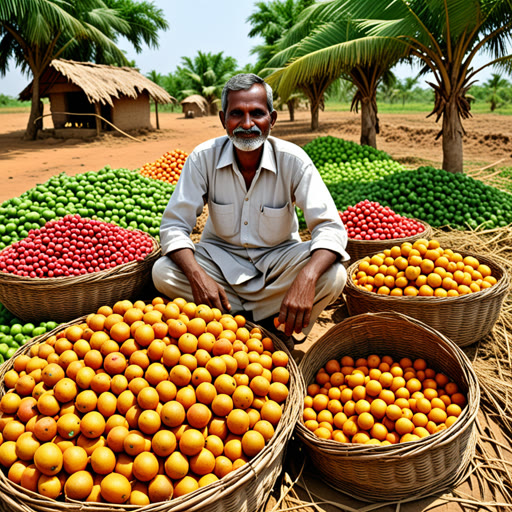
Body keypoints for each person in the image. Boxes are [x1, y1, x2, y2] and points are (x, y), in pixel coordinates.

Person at [152, 73, 349, 346]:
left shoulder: (293, 161)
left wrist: (306, 277)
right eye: (237, 114)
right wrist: (198, 277)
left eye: (257, 113)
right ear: (223, 120)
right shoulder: (202, 158)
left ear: (272, 119)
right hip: (219, 264)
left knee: (333, 275)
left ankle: (276, 326)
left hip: (278, 265)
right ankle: (251, 322)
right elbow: (174, 226)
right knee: (163, 271)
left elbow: (330, 228)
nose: (247, 124)